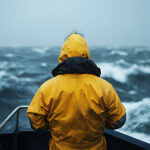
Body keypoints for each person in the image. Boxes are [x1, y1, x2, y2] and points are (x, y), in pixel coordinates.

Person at [27, 33, 126, 150]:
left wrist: (52, 125)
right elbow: (118, 121)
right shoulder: (105, 87)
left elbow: (35, 122)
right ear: (86, 54)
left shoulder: (48, 87)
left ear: (63, 55)